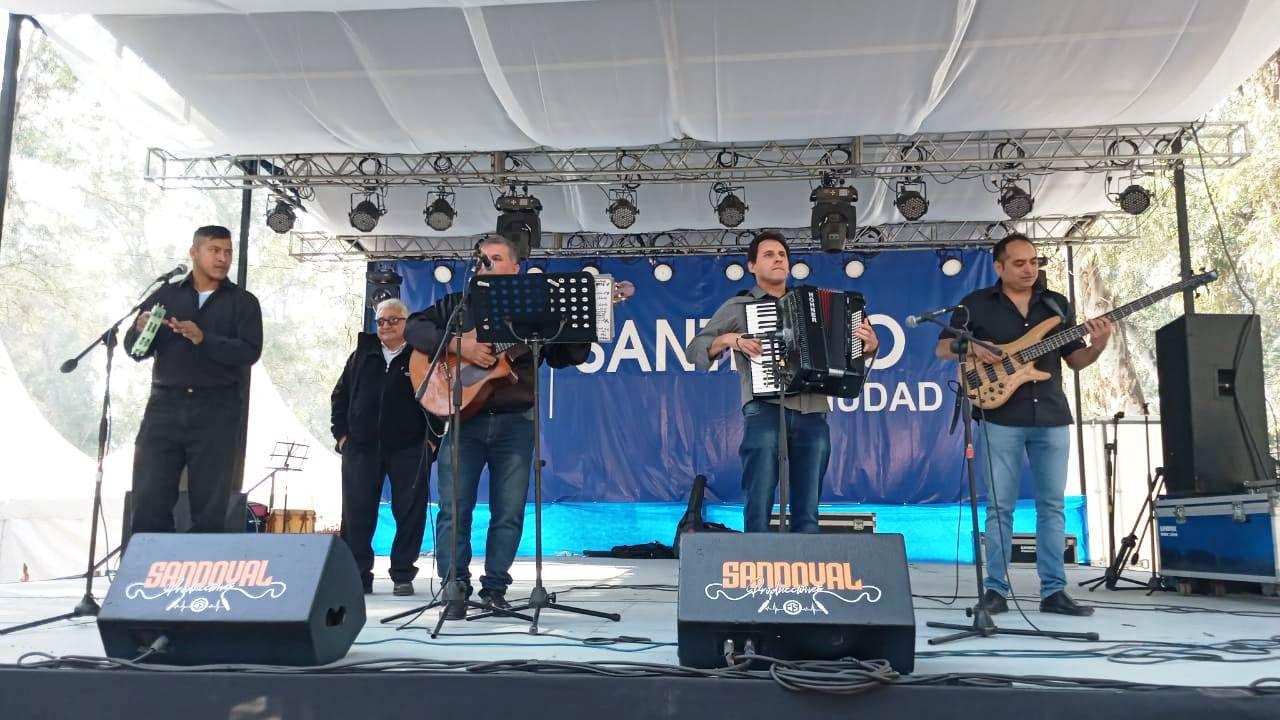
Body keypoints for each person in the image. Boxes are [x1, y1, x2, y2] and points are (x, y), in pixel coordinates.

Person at [404, 234, 590, 618]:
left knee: (509, 511)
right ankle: (454, 587)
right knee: (455, 508)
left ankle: (495, 589)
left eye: (496, 258)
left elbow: (565, 355)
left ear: (515, 267)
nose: (487, 263)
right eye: (483, 258)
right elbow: (414, 329)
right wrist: (461, 346)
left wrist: (586, 320)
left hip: (515, 422)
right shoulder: (459, 305)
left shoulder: (536, 307)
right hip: (464, 420)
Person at [935, 232, 1112, 617]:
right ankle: (995, 590)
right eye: (1019, 263)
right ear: (999, 267)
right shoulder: (976, 304)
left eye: (1033, 262)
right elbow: (943, 346)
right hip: (1000, 417)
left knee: (1053, 506)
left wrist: (1098, 344)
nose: (1029, 269)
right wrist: (973, 347)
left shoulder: (1056, 304)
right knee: (1000, 507)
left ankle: (1054, 591)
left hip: (1051, 415)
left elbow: (1075, 361)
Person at [685, 230, 879, 533]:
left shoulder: (810, 302)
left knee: (808, 503)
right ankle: (756, 564)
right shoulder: (739, 307)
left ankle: (807, 566)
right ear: (752, 266)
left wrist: (867, 348)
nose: (778, 259)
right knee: (759, 495)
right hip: (764, 408)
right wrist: (729, 338)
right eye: (768, 255)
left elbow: (845, 356)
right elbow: (695, 350)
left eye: (782, 255)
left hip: (812, 408)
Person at [124, 225, 263, 535]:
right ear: (194, 252)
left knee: (210, 501)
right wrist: (140, 329)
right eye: (215, 250)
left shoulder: (243, 302)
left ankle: (200, 574)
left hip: (216, 407)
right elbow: (135, 352)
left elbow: (250, 352)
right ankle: (149, 570)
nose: (223, 258)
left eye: (228, 251)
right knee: (149, 493)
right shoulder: (166, 294)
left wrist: (205, 339)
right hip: (165, 404)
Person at [332, 297, 443, 596]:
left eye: (393, 320)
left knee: (410, 512)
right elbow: (339, 397)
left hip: (410, 447)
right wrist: (341, 435)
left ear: (407, 323)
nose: (385, 326)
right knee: (356, 513)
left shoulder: (423, 355)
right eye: (380, 321)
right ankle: (358, 574)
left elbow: (439, 398)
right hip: (361, 448)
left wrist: (433, 440)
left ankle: (403, 574)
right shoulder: (361, 355)